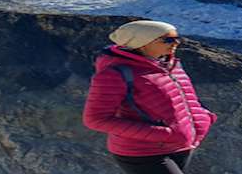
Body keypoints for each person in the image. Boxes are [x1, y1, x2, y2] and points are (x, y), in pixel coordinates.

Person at [83, 20, 218, 174]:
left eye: (177, 38)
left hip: (181, 146)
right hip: (143, 153)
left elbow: (186, 99)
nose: (176, 43)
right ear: (143, 42)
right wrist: (164, 134)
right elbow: (95, 120)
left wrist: (204, 117)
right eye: (168, 40)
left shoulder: (171, 65)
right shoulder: (115, 73)